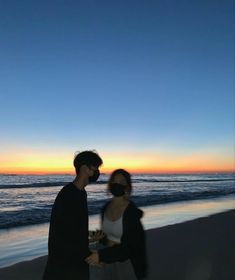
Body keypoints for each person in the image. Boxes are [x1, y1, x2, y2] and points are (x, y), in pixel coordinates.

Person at [43, 150, 103, 280]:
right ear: (84, 168)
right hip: (65, 267)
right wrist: (90, 256)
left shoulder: (80, 193)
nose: (97, 171)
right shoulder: (69, 195)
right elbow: (62, 238)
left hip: (72, 262)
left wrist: (90, 237)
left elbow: (71, 230)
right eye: (95, 167)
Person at [86, 169, 147, 280]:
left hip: (126, 263)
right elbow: (108, 236)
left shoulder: (131, 213)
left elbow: (131, 247)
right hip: (108, 259)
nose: (117, 184)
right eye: (114, 180)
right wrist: (93, 235)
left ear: (127, 187)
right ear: (110, 184)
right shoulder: (105, 208)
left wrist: (101, 255)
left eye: (121, 181)